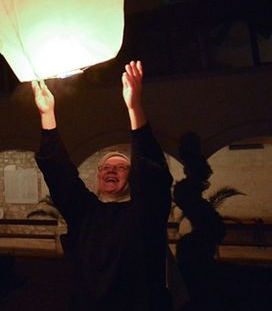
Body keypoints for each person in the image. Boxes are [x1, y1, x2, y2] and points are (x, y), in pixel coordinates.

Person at [32, 60, 173, 311]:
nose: (110, 170)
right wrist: (47, 116)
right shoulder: (86, 212)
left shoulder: (143, 215)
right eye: (106, 167)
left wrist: (134, 107)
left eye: (120, 167)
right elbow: (59, 175)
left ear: (132, 177)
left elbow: (153, 177)